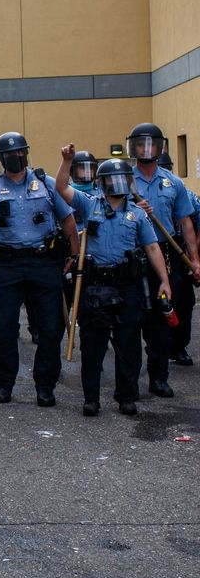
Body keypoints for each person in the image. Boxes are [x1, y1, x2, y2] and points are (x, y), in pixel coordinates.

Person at [55, 147, 171, 415]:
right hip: (96, 284)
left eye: (122, 179)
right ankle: (91, 398)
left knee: (128, 343)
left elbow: (153, 248)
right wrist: (67, 161)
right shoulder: (89, 203)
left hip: (128, 284)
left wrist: (164, 281)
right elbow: (61, 186)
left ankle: (126, 396)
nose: (118, 185)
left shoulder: (139, 213)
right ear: (102, 182)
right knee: (93, 345)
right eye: (112, 180)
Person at [0, 131, 79, 407]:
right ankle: (4, 383)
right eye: (8, 155)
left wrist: (74, 257)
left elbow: (68, 222)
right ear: (0, 159)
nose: (14, 158)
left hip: (44, 264)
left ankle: (45, 386)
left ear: (25, 153)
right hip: (6, 265)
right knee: (4, 327)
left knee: (50, 328)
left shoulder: (46, 184)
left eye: (18, 153)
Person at [127, 123, 200, 397]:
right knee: (132, 320)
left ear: (160, 147)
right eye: (140, 144)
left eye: (151, 144)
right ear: (132, 147)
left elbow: (186, 221)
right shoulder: (123, 180)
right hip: (134, 255)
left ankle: (159, 378)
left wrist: (194, 260)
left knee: (162, 319)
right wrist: (131, 207)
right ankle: (129, 382)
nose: (146, 149)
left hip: (166, 254)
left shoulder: (173, 182)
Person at [159, 152, 200, 367]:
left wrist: (194, 260)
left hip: (181, 254)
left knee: (184, 302)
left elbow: (195, 226)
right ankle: (158, 346)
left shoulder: (186, 194)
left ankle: (178, 346)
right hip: (156, 250)